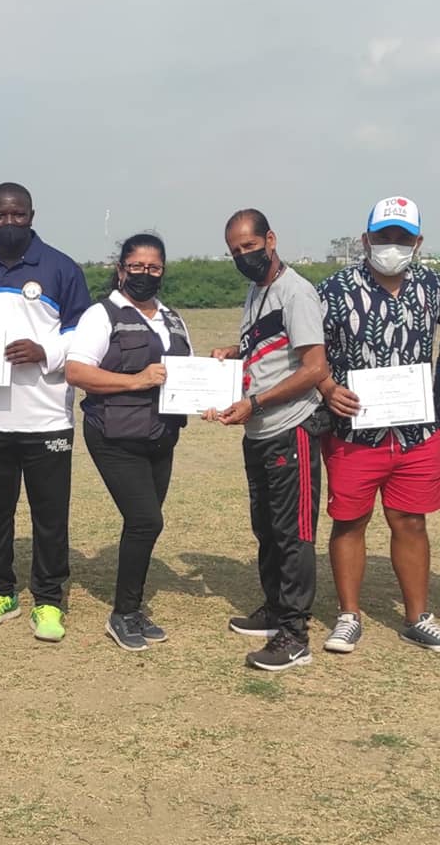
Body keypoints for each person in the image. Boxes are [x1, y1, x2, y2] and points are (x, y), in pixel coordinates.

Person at [0, 182, 91, 642]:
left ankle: (48, 600)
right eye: (0, 215)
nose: (9, 222)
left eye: (18, 215)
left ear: (32, 215)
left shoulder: (61, 267)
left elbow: (83, 332)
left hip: (47, 416)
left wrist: (45, 351)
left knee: (50, 516)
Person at [316, 197, 440, 654]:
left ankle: (417, 617)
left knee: (411, 521)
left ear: (418, 242)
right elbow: (308, 350)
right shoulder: (334, 289)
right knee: (350, 521)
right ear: (365, 239)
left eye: (402, 237)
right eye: (383, 236)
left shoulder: (432, 285)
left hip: (416, 433)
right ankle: (349, 615)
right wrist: (328, 387)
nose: (392, 244)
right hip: (353, 431)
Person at [207, 209, 328, 671]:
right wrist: (236, 351)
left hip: (289, 428)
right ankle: (275, 609)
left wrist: (255, 403)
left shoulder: (296, 292)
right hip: (258, 431)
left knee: (293, 533)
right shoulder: (257, 290)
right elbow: (272, 344)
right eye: (235, 251)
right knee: (267, 527)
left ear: (271, 240)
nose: (243, 256)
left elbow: (313, 368)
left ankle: (294, 634)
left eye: (250, 247)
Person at [66, 233, 191, 651]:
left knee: (143, 525)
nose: (145, 274)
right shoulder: (102, 315)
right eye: (136, 266)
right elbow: (77, 372)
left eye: (154, 267)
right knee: (146, 521)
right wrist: (136, 380)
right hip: (114, 435)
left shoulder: (173, 318)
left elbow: (186, 375)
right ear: (121, 270)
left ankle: (133, 610)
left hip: (161, 436)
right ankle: (122, 613)